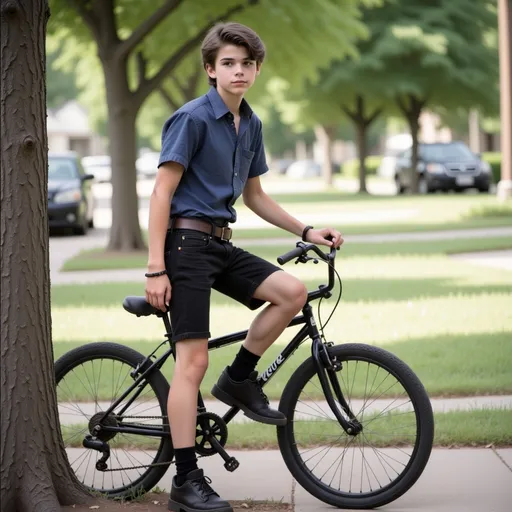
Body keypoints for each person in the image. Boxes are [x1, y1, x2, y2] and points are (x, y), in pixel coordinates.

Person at [145, 22, 344, 512]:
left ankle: (240, 377)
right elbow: (161, 193)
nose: (238, 71)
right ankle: (186, 480)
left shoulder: (250, 124)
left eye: (247, 63)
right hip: (185, 246)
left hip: (221, 243)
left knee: (293, 292)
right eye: (228, 63)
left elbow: (255, 196)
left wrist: (306, 231)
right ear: (211, 70)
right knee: (191, 363)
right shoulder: (191, 119)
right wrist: (155, 267)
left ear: (257, 70)